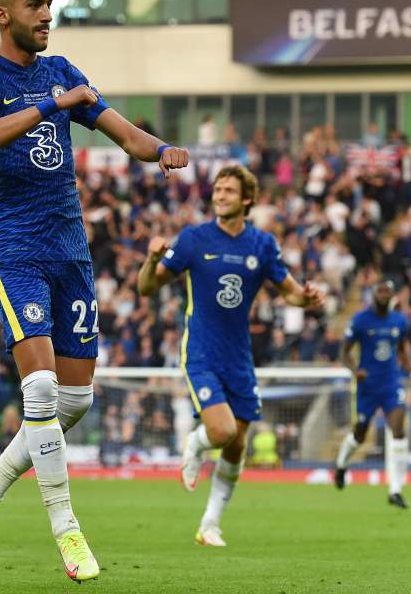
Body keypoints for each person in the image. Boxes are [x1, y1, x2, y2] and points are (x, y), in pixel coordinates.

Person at [0, 0, 189, 582]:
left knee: (73, 401)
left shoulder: (65, 71)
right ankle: (68, 531)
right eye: (35, 5)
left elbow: (126, 135)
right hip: (19, 249)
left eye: (50, 5)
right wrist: (49, 105)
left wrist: (161, 149)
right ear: (3, 14)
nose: (47, 15)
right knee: (39, 393)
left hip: (71, 252)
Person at [138, 165, 324, 547]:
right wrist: (150, 261)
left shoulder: (262, 244)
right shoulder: (193, 238)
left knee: (238, 445)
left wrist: (304, 299)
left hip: (239, 358)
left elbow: (288, 291)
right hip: (201, 352)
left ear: (246, 199)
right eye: (217, 190)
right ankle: (195, 444)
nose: (219, 196)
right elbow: (146, 289)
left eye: (227, 191)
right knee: (221, 433)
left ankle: (209, 524)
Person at [333, 279, 411, 509]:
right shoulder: (360, 320)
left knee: (399, 431)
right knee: (360, 433)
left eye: (387, 292)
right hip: (368, 386)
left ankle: (396, 490)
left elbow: (403, 352)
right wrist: (355, 371)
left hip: (391, 384)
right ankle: (342, 464)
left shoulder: (399, 321)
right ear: (373, 294)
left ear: (392, 295)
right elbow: (344, 352)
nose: (383, 295)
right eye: (380, 291)